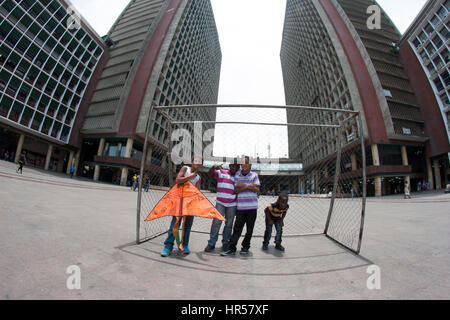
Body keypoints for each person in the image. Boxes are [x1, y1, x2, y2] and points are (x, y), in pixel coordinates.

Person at [161, 156, 203, 257]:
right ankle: (168, 246)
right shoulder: (185, 169)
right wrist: (189, 177)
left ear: (201, 165)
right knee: (174, 225)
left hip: (190, 204)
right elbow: (178, 180)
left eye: (199, 162)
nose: (197, 163)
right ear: (192, 162)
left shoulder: (198, 177)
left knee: (187, 226)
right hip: (179, 202)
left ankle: (185, 245)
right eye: (195, 161)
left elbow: (197, 192)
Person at [221, 156, 260, 256]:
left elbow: (257, 189)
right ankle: (232, 248)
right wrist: (248, 186)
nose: (244, 165)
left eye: (246, 163)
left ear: (250, 164)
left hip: (252, 208)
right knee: (237, 228)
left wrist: (242, 185)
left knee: (249, 229)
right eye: (242, 163)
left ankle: (245, 247)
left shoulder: (254, 175)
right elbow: (236, 190)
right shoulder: (237, 175)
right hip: (241, 208)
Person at [204, 160, 240, 253]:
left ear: (238, 168)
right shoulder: (221, 172)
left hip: (232, 204)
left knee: (229, 224)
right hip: (220, 202)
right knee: (216, 223)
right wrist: (214, 167)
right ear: (230, 165)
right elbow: (210, 174)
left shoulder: (238, 177)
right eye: (232, 166)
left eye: (236, 167)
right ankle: (211, 243)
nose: (234, 168)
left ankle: (225, 242)